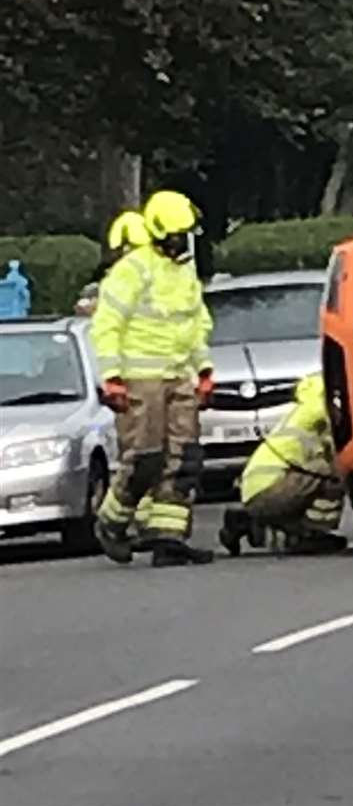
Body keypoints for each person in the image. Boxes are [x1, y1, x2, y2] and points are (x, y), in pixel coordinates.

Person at [90, 190, 216, 567]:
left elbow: (195, 323)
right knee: (145, 459)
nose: (182, 242)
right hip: (139, 380)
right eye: (177, 236)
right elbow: (107, 326)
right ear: (160, 233)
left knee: (184, 458)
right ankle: (111, 523)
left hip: (179, 374)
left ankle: (168, 538)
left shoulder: (184, 272)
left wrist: (204, 369)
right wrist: (112, 378)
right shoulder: (131, 271)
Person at [219, 373, 346, 556]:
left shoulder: (304, 408)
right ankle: (312, 534)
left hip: (260, 488)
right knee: (334, 474)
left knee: (316, 475)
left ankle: (247, 521)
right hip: (270, 490)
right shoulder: (319, 411)